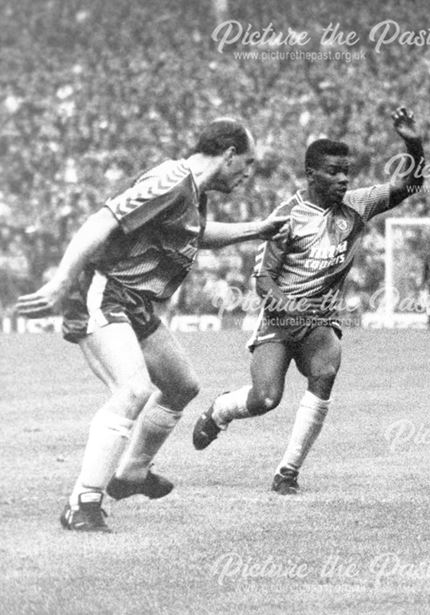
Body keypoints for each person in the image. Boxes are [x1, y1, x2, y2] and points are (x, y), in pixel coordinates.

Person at [16, 118, 288, 532]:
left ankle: (132, 475)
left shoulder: (193, 194)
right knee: (133, 390)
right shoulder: (171, 180)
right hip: (104, 290)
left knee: (181, 385)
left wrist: (257, 229)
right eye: (247, 163)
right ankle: (83, 503)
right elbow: (101, 221)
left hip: (137, 303)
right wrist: (59, 281)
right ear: (228, 154)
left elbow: (195, 235)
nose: (248, 173)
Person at [192, 107, 425, 494]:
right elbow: (262, 278)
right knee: (266, 398)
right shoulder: (288, 216)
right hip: (281, 321)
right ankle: (220, 410)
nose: (343, 178)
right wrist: (286, 304)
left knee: (326, 371)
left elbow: (409, 187)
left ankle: (288, 471)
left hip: (319, 320)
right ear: (311, 173)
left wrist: (413, 143)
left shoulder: (358, 204)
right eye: (333, 171)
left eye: (346, 171)